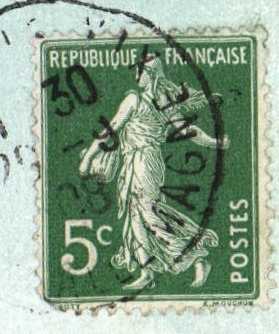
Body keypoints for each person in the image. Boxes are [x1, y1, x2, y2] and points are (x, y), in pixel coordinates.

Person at [78, 51, 223, 294]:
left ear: (152, 74)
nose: (137, 74)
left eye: (142, 70)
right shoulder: (160, 100)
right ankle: (147, 272)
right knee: (135, 217)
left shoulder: (136, 100)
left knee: (146, 214)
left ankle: (195, 255)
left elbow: (111, 130)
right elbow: (187, 130)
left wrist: (89, 158)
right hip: (137, 161)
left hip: (144, 162)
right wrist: (215, 142)